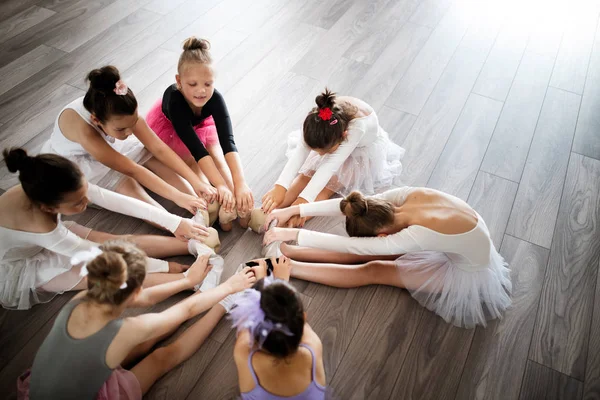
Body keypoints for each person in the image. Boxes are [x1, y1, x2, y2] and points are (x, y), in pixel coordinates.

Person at [17, 240, 256, 400]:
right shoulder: (126, 329)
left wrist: (186, 281)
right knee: (160, 357)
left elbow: (146, 297)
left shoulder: (84, 297)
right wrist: (228, 286)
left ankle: (206, 293)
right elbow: (186, 311)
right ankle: (223, 303)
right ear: (134, 292)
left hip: (54, 385)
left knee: (139, 344)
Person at [263, 187, 512, 328]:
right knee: (371, 256)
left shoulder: (417, 234)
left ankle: (289, 266)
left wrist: (294, 232)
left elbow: (353, 248)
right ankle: (292, 251)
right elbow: (349, 205)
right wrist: (293, 210)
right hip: (455, 240)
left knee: (374, 269)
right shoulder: (402, 199)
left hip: (469, 268)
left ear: (382, 235)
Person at [0, 148, 209, 310]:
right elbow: (102, 258)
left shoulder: (49, 184)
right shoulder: (41, 225)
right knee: (111, 276)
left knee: (120, 241)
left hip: (49, 239)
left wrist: (174, 222)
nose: (86, 203)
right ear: (49, 208)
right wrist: (165, 267)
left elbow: (112, 200)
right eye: (78, 203)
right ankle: (189, 282)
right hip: (22, 265)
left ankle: (192, 243)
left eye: (84, 196)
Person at [41, 65, 213, 216]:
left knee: (150, 155)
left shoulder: (122, 113)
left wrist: (195, 181)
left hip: (110, 141)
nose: (130, 132)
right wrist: (177, 197)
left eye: (133, 124)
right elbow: (133, 170)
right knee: (127, 185)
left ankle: (200, 203)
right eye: (122, 129)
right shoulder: (87, 132)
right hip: (79, 162)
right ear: (96, 120)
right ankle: (176, 224)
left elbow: (158, 147)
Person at [147, 37, 253, 231]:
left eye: (208, 83)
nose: (201, 91)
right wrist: (218, 186)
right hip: (175, 130)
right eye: (193, 84)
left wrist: (240, 184)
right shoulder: (176, 102)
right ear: (179, 81)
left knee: (219, 160)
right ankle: (216, 201)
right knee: (194, 164)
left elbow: (228, 142)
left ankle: (237, 203)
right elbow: (197, 149)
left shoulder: (215, 99)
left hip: (201, 125)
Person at [261, 88, 404, 228]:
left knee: (329, 186)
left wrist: (303, 203)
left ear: (343, 136)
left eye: (324, 152)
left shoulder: (355, 131)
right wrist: (280, 187)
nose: (320, 156)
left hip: (361, 151)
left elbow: (329, 167)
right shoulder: (315, 121)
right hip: (332, 139)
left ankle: (286, 222)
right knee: (305, 176)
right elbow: (300, 153)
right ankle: (266, 211)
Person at [231, 257, 326, 399]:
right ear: (304, 318)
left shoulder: (243, 352)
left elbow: (246, 324)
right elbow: (289, 318)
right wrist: (281, 282)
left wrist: (261, 282)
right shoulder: (313, 345)